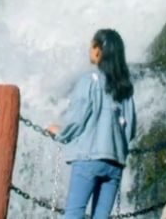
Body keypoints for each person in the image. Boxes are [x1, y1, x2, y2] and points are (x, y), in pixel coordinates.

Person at [46, 28, 137, 219]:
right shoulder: (125, 88)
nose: (89, 50)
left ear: (98, 51)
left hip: (89, 159)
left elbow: (77, 119)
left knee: (74, 213)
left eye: (91, 46)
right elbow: (130, 128)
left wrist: (60, 132)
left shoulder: (89, 81)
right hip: (115, 163)